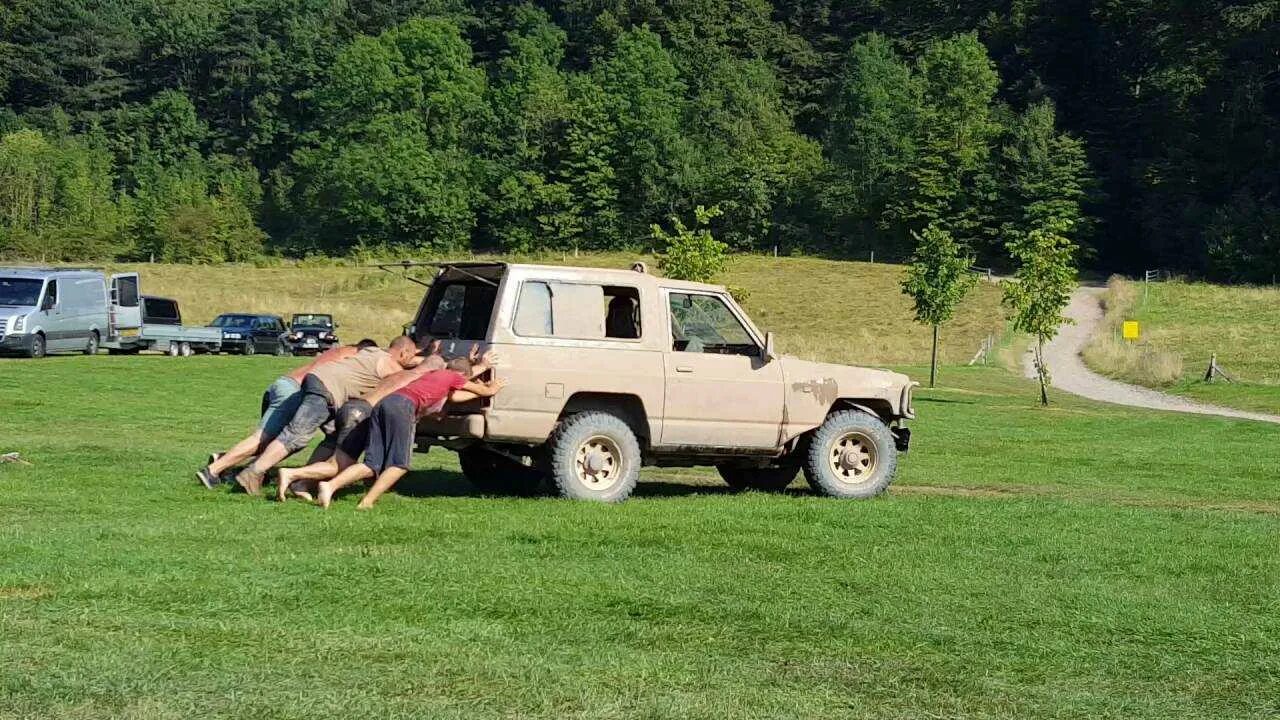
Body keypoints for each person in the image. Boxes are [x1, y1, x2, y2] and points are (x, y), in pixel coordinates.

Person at [276, 342, 497, 502]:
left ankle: (304, 481)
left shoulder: (425, 374)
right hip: (368, 412)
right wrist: (488, 377)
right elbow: (470, 385)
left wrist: (472, 362)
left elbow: (455, 394)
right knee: (383, 464)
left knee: (360, 463)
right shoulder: (448, 375)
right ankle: (303, 478)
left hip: (358, 407)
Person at [233, 335, 421, 495]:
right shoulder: (392, 366)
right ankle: (253, 472)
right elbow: (407, 377)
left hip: (317, 379)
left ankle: (302, 482)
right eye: (410, 356)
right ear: (403, 353)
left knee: (333, 436)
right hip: (328, 390)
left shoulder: (372, 352)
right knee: (295, 435)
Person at [316, 358, 506, 510]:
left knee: (371, 463)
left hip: (384, 403)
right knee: (399, 464)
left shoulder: (434, 374)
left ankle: (330, 486)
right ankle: (367, 502)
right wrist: (492, 388)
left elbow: (455, 397)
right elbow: (481, 390)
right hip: (403, 407)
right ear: (463, 375)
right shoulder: (454, 377)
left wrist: (479, 387)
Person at [194, 339, 378, 489]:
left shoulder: (339, 350)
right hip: (296, 391)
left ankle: (232, 464)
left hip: (288, 385)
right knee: (268, 438)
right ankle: (213, 470)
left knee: (322, 436)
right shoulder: (352, 356)